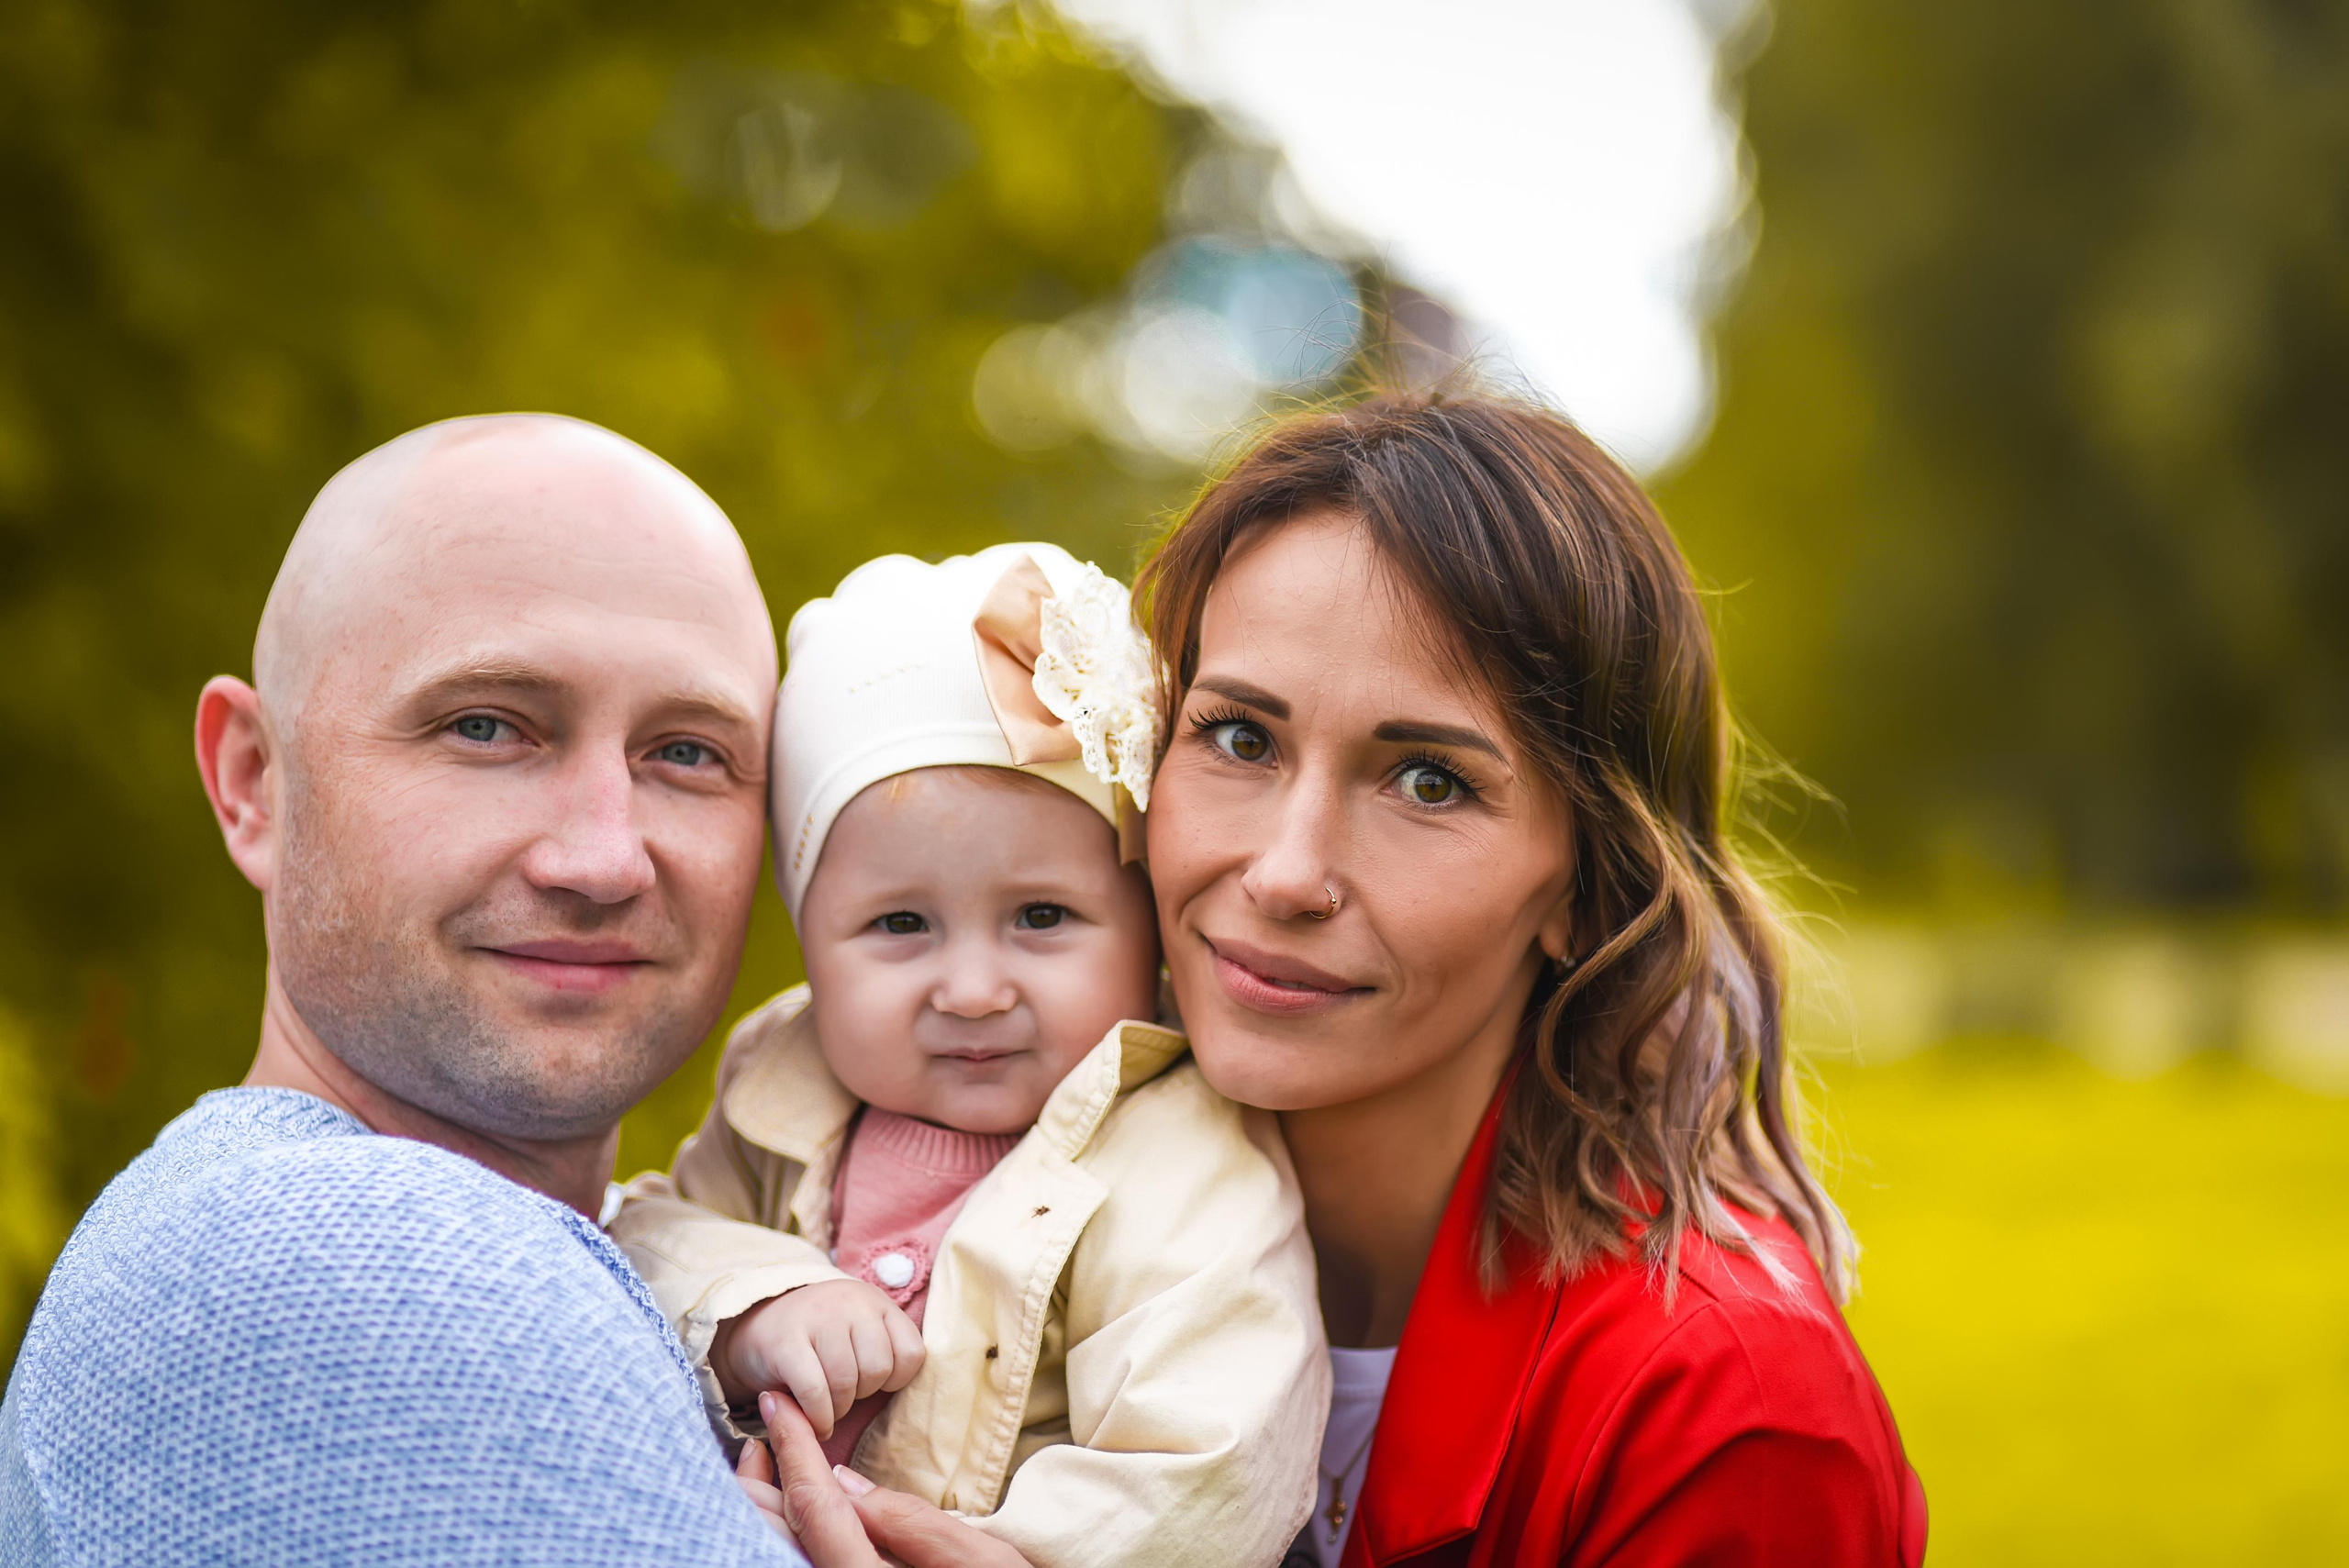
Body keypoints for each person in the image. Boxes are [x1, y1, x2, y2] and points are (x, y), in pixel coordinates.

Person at [754, 388, 1929, 1567]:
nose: (1285, 872)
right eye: (1241, 737)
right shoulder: (920, 1152)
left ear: (1587, 888)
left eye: (1427, 781)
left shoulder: (1726, 1416)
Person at [0, 415, 810, 1565]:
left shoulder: (672, 1272)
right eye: (486, 726)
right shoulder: (345, 1259)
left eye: (686, 752)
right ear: (253, 783)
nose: (603, 858)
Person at [610, 545, 1328, 1567]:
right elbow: (640, 1235)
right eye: (900, 923)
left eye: (1042, 916)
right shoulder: (785, 1079)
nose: (975, 988)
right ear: (810, 942)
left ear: (1147, 926)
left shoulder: (1179, 1149)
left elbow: (1209, 1463)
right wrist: (755, 1300)